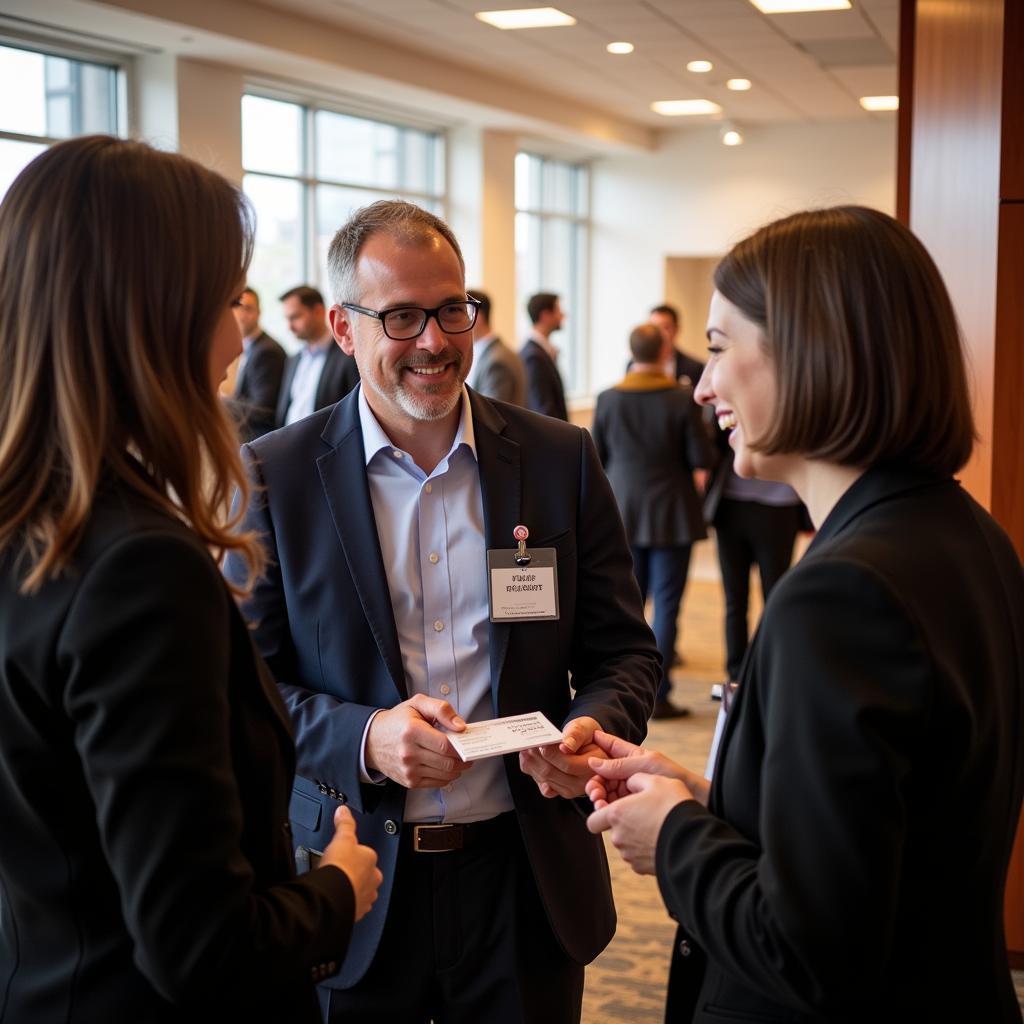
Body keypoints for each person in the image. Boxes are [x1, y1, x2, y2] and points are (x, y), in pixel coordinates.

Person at [224, 199, 660, 1023]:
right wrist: (365, 736)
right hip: (354, 882)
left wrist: (589, 728)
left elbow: (624, 653)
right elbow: (245, 691)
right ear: (345, 331)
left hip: (524, 876)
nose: (434, 340)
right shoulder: (274, 479)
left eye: (452, 309)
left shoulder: (557, 457)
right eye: (401, 317)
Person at [585, 206, 1024, 1022]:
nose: (702, 383)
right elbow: (891, 828)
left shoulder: (840, 593)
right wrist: (711, 800)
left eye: (718, 349)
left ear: (812, 348)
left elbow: (812, 948)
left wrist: (675, 838)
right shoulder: (967, 535)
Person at [0, 136, 382, 1022]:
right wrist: (336, 890)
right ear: (148, 319)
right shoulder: (137, 570)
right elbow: (203, 946)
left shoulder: (32, 527)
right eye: (221, 303)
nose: (235, 338)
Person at [592, 323, 712, 720]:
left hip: (623, 512)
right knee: (668, 605)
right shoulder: (681, 399)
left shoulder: (608, 398)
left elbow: (598, 456)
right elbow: (701, 456)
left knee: (628, 608)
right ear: (665, 352)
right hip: (673, 512)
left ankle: (629, 694)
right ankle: (660, 697)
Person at [702, 424, 803, 689]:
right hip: (742, 507)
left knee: (765, 598)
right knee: (751, 598)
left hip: (774, 506)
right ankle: (742, 674)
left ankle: (751, 672)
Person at [276, 285, 360, 426]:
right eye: (287, 319)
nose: (289, 326)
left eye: (295, 317)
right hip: (288, 443)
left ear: (318, 311)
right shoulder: (294, 359)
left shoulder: (348, 357)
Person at [227, 285, 287, 440]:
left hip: (261, 441)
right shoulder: (249, 346)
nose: (241, 315)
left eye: (248, 309)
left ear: (259, 312)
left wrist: (222, 403)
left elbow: (263, 410)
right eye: (238, 308)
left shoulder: (267, 351)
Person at [466, 288, 526, 405]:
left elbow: (490, 415)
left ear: (477, 316)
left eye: (462, 313)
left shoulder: (497, 361)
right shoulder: (493, 353)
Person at [521, 291, 569, 420]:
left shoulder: (542, 351)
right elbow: (542, 410)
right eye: (558, 310)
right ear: (545, 315)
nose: (563, 315)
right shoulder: (533, 357)